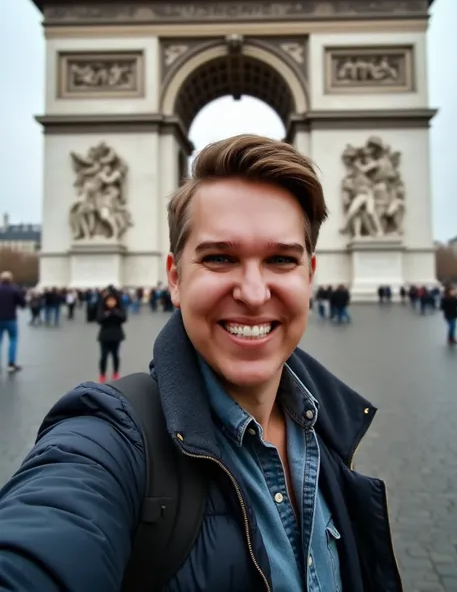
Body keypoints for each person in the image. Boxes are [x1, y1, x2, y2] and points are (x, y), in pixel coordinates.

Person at [0, 135, 402, 591]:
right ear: (175, 277)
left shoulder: (328, 429)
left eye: (280, 259)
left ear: (310, 275)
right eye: (219, 258)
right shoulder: (107, 440)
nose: (253, 293)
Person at [96, 287, 127, 383]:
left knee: (115, 356)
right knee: (103, 357)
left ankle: (115, 373)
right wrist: (108, 314)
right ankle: (102, 374)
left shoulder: (119, 309)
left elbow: (124, 318)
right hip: (105, 336)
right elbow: (99, 319)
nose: (111, 303)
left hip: (116, 336)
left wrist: (115, 313)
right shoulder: (103, 309)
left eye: (113, 300)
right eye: (109, 300)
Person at [0, 270, 26, 372]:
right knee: (13, 339)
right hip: (11, 318)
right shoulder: (14, 290)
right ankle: (11, 363)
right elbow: (22, 303)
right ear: (11, 279)